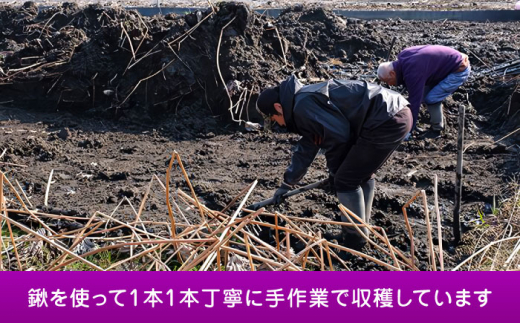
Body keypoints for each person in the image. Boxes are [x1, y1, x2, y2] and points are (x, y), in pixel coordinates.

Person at [256, 75, 412, 250]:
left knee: (346, 180)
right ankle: (362, 228)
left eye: (273, 119)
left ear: (278, 107)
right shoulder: (300, 102)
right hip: (393, 112)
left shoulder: (302, 106)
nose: (278, 124)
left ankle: (355, 239)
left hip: (385, 119)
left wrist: (335, 171)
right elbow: (308, 145)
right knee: (358, 175)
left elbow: (338, 136)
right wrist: (287, 183)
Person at [377, 45, 471, 138]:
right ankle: (416, 125)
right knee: (423, 95)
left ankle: (436, 130)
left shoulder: (413, 72)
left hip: (458, 69)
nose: (390, 85)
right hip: (445, 65)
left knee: (431, 98)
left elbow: (414, 102)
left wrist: (407, 132)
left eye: (388, 81)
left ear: (392, 73)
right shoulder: (404, 56)